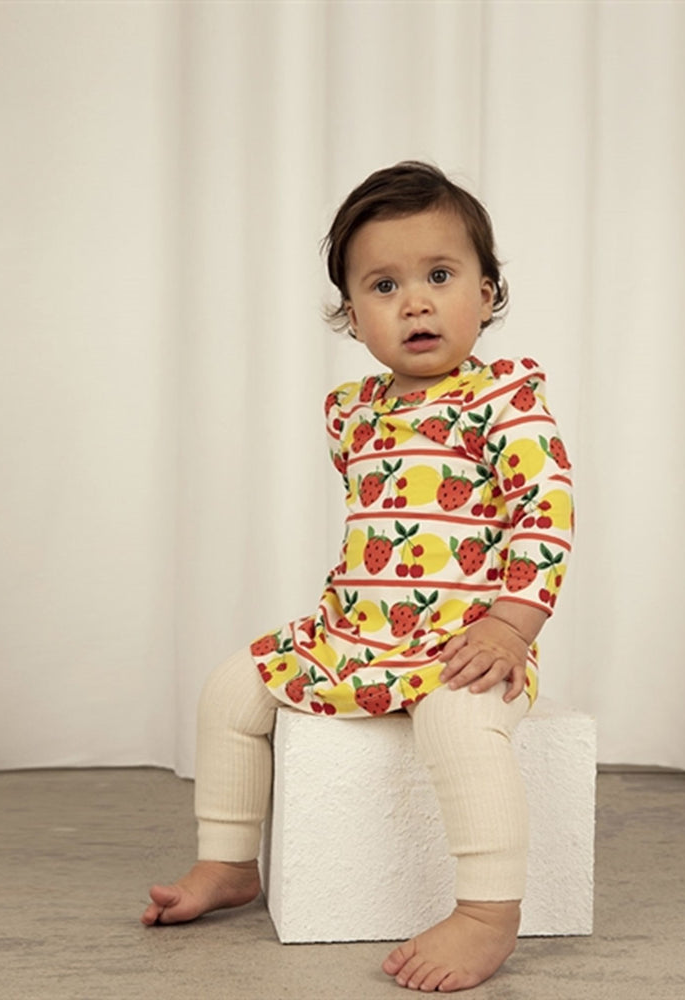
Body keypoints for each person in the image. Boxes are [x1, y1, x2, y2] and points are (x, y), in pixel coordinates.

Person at [142, 161, 574, 993]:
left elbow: (544, 512)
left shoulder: (505, 401)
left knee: (460, 728)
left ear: (487, 293)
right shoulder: (356, 413)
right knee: (230, 692)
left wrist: (510, 625)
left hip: (461, 644)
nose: (415, 303)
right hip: (351, 637)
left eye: (440, 276)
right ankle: (228, 861)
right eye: (384, 286)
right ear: (351, 314)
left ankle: (488, 912)